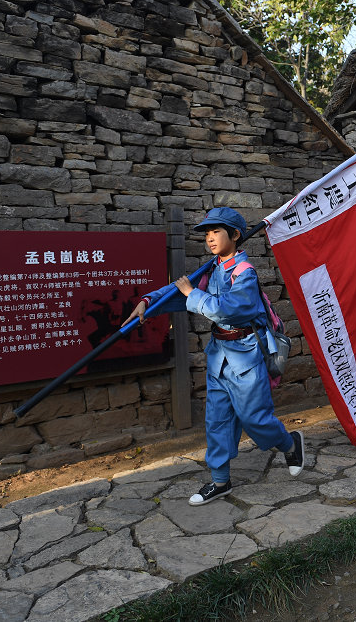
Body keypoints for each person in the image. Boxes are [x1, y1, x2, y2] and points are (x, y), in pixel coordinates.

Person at [124, 207, 305, 506]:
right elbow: (176, 292)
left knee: (254, 418)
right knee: (217, 420)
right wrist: (147, 302)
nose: (210, 238)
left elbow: (229, 310)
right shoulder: (212, 269)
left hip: (246, 357)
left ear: (235, 235)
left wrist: (191, 294)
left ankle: (289, 443)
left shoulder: (244, 273)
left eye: (216, 231)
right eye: (207, 233)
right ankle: (220, 480)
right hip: (219, 356)